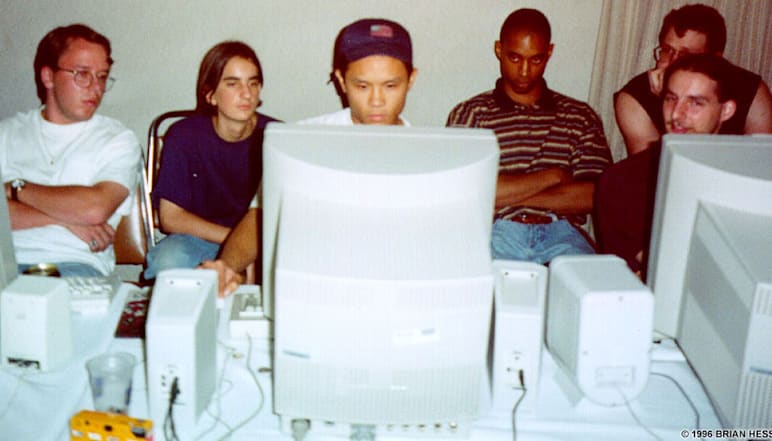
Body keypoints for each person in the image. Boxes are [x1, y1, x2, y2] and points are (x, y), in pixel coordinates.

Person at [201, 18, 417, 295]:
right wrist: (227, 267)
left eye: (391, 86)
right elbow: (260, 216)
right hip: (317, 284)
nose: (377, 100)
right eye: (362, 86)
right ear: (341, 81)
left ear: (411, 80)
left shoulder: (425, 155)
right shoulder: (302, 139)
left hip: (395, 284)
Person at [446, 8, 612, 265]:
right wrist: (552, 176)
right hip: (495, 233)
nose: (524, 71)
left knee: (596, 288)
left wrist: (503, 195)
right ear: (499, 50)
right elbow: (463, 191)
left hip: (563, 236)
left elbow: (595, 196)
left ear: (549, 53)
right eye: (514, 57)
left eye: (536, 60)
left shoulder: (579, 116)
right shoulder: (471, 114)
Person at [0, 24, 141, 277]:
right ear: (48, 77)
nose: (96, 88)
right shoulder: (7, 133)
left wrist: (15, 189)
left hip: (73, 264)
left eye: (102, 76)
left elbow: (95, 209)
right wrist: (65, 220)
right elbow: (85, 215)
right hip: (5, 260)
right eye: (82, 74)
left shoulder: (118, 139)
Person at [143, 41, 279, 280]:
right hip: (198, 240)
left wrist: (249, 248)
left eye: (253, 83)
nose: (246, 93)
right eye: (233, 84)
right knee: (167, 260)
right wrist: (236, 243)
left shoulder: (276, 136)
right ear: (210, 95)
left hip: (259, 241)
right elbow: (170, 217)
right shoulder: (184, 135)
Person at [595, 53, 739, 277]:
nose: (677, 114)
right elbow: (664, 271)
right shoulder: (624, 181)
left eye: (695, 103)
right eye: (671, 99)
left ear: (726, 110)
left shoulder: (744, 176)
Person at [615, 3, 771, 156]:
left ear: (715, 60)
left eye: (686, 56)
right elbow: (652, 169)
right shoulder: (634, 97)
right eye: (667, 50)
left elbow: (762, 162)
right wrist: (665, 100)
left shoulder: (751, 91)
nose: (672, 63)